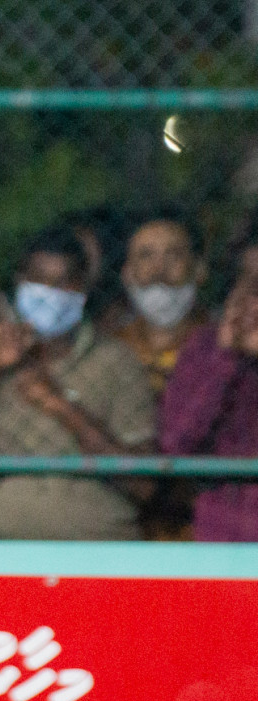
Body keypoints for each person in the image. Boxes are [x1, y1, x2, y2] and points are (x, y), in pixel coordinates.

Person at [0, 227, 157, 541]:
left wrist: (60, 406)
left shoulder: (117, 361)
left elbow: (144, 486)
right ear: (19, 282)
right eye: (38, 280)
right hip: (13, 557)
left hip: (103, 552)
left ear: (83, 289)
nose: (49, 293)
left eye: (62, 282)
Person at [104, 210, 208, 539]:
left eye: (174, 255)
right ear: (126, 272)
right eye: (146, 256)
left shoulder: (222, 348)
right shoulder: (108, 350)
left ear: (200, 270)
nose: (159, 271)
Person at [159, 276, 258, 542]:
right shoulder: (205, 347)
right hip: (221, 530)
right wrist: (226, 361)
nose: (251, 304)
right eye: (245, 291)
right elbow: (177, 443)